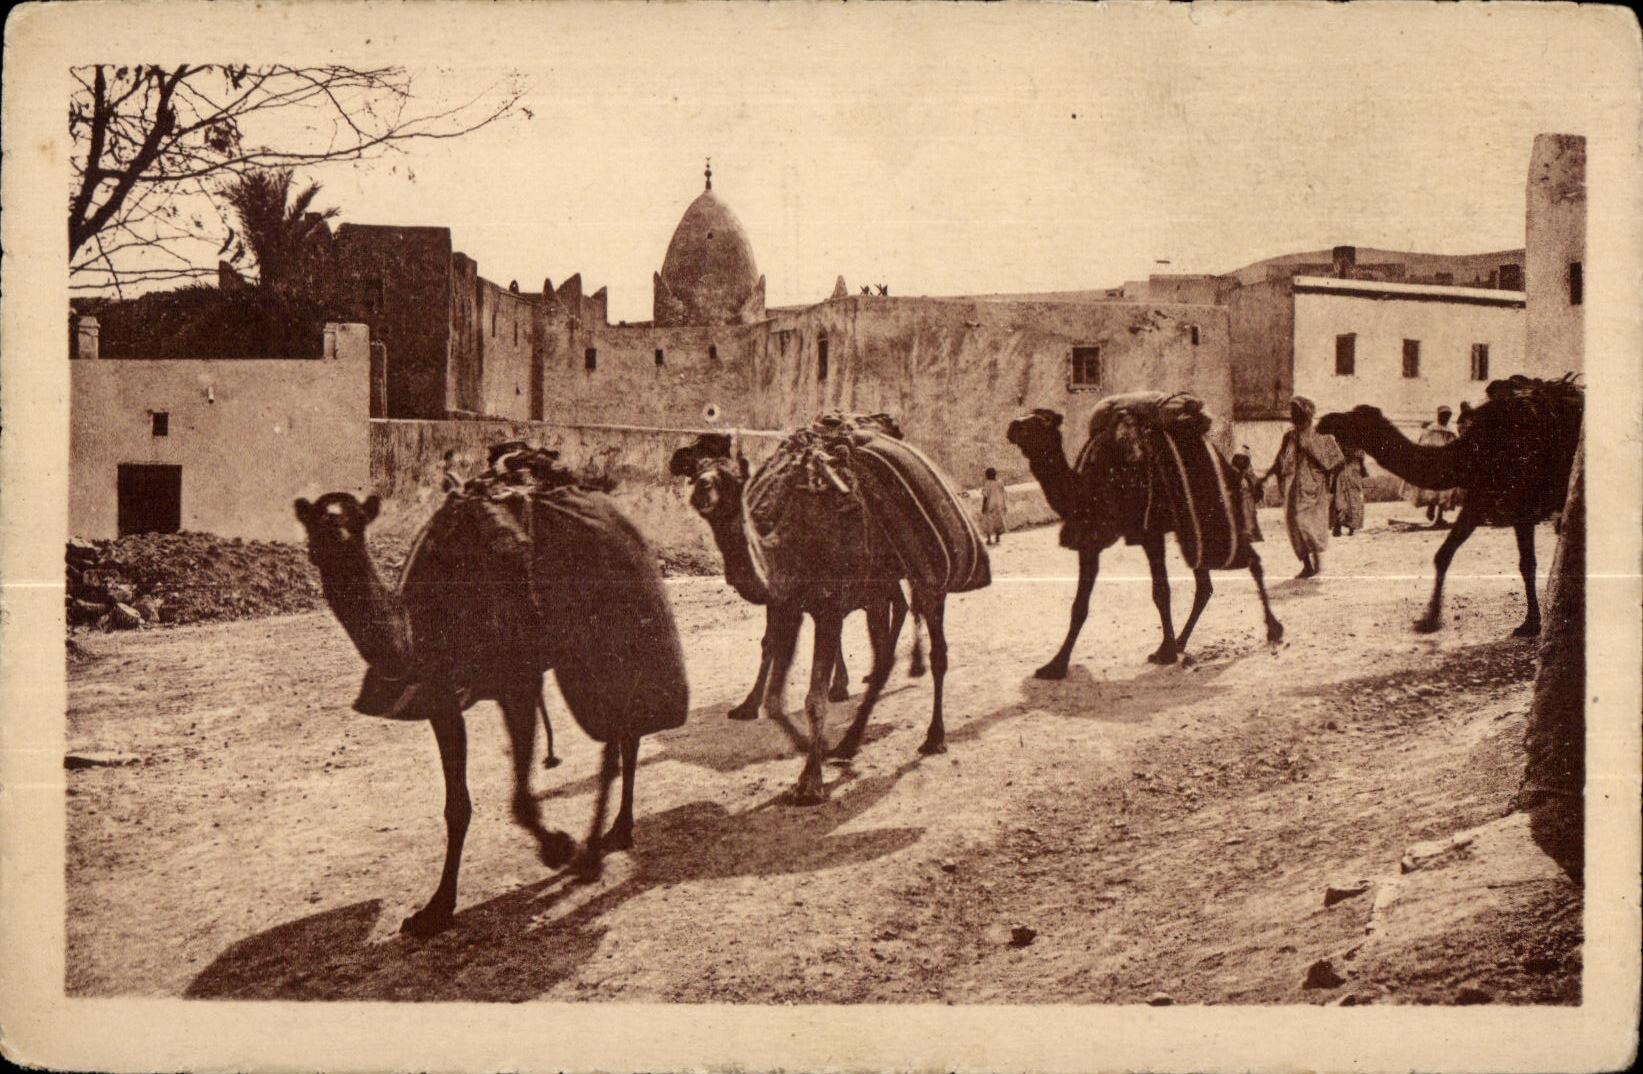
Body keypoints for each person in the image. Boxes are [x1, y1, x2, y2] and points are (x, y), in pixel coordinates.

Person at [1258, 396, 1344, 578]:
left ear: (1306, 414)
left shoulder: (1320, 434)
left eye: (1296, 412)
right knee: (1295, 525)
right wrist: (1265, 476)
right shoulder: (1289, 436)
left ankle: (1316, 561)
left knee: (1308, 525)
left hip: (1313, 488)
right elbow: (1279, 459)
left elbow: (1337, 461)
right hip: (1293, 487)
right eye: (1292, 412)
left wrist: (1325, 478)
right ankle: (1307, 565)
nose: (1293, 415)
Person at [1405, 405, 1459, 527]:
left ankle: (1439, 517)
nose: (1445, 418)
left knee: (1444, 492)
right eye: (1443, 415)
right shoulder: (1430, 430)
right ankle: (1431, 509)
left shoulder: (1451, 432)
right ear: (1438, 416)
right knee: (1432, 490)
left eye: (1448, 416)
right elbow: (1423, 446)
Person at [1229, 447, 1263, 544]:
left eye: (1243, 458)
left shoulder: (1248, 473)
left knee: (1249, 515)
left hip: (1246, 498)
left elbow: (1256, 486)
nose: (1241, 460)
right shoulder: (1235, 472)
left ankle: (1249, 534)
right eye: (1239, 458)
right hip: (1241, 498)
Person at [1332, 448, 1368, 537]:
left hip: (1351, 472)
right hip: (1345, 471)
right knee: (1343, 501)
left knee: (1349, 501)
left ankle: (1346, 528)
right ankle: (1341, 527)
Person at [980, 467, 1008, 546]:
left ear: (987, 475)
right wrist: (1004, 504)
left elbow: (985, 496)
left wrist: (983, 506)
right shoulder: (1000, 482)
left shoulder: (987, 484)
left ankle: (989, 539)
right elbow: (1003, 494)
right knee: (998, 521)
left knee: (989, 522)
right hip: (999, 505)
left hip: (990, 505)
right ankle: (997, 537)